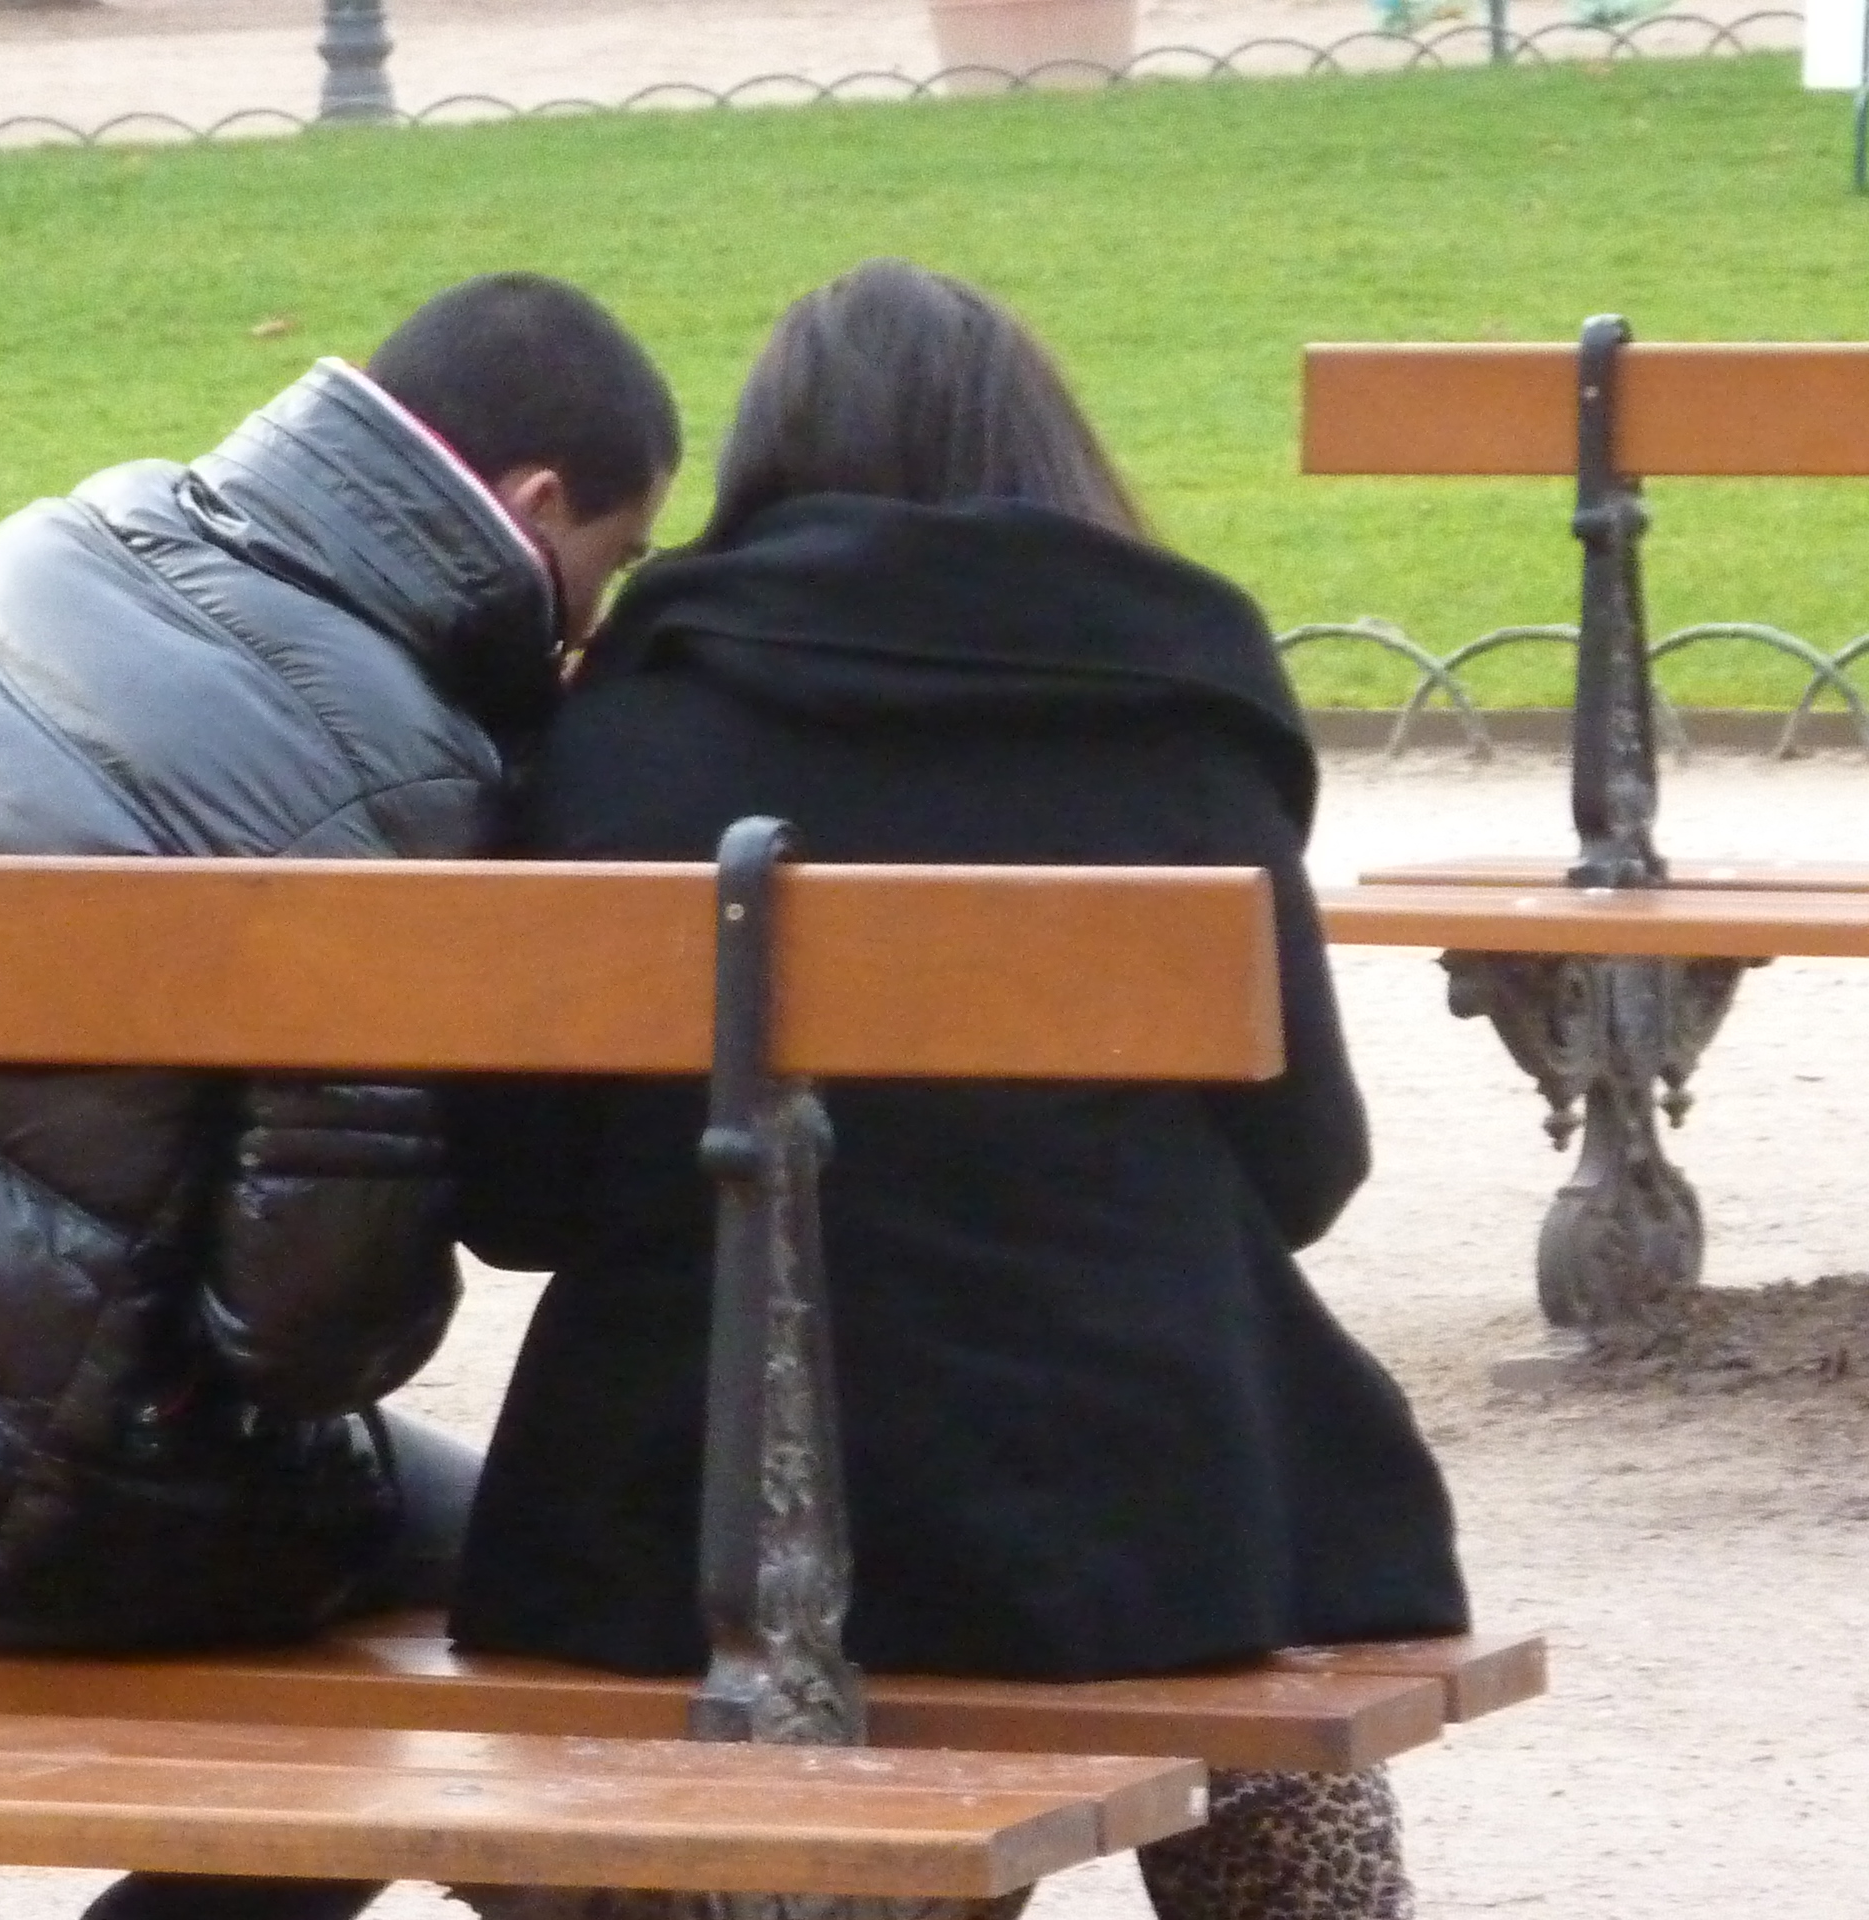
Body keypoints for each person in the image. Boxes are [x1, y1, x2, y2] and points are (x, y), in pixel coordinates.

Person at [0, 272, 678, 1920]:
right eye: (600, 573)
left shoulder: (75, 540)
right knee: (505, 1590)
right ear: (536, 504)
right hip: (39, 1521)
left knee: (20, 1401)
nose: (581, 632)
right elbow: (309, 1341)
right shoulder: (397, 779)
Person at [446, 261, 1468, 1919]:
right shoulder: (1178, 709)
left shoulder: (626, 723)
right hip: (1133, 1526)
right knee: (1260, 1686)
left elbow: (524, 1206)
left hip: (680, 1533)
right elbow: (1306, 1167)